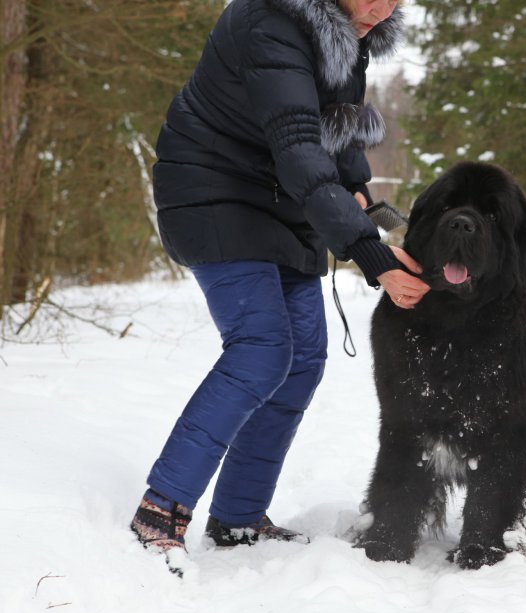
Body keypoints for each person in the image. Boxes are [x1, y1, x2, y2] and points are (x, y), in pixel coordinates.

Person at [130, 0, 429, 565]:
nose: (381, 7)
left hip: (282, 201)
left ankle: (238, 517)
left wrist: (360, 192)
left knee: (303, 358)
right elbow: (297, 146)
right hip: (213, 192)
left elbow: (337, 127)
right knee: (262, 348)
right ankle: (160, 508)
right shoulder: (271, 22)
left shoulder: (351, 30)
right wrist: (371, 255)